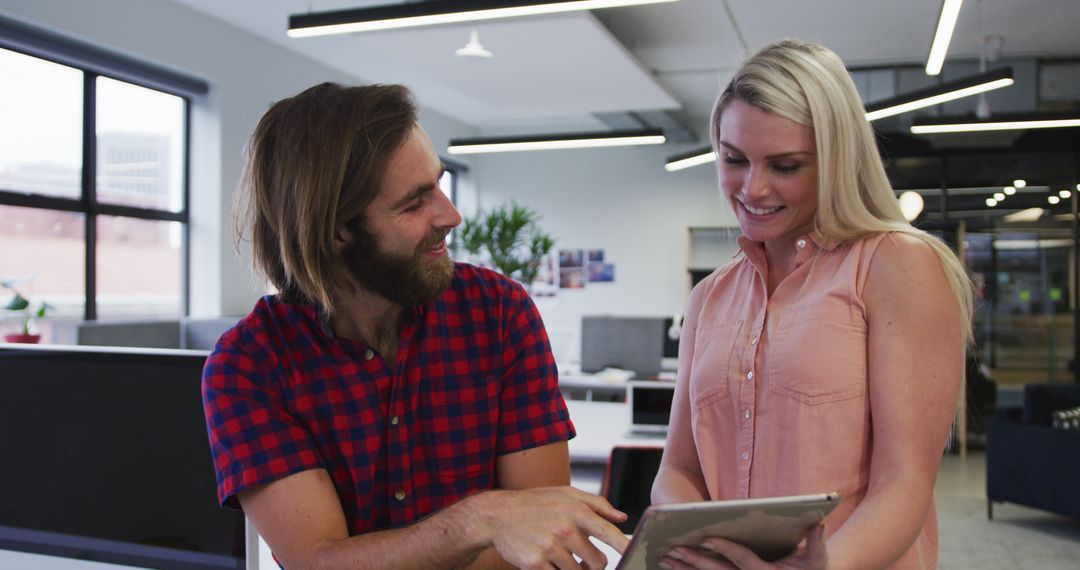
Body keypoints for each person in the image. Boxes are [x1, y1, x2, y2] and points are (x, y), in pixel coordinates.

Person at [202, 82, 628, 569]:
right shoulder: (249, 366)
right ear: (337, 230)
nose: (451, 215)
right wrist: (477, 520)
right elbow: (318, 562)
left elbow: (542, 543)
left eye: (440, 184)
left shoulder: (498, 312)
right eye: (414, 203)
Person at [651, 39, 972, 570]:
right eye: (734, 160)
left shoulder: (896, 265)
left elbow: (904, 482)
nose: (753, 188)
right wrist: (705, 548)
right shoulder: (710, 297)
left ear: (837, 159)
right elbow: (678, 468)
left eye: (786, 165)